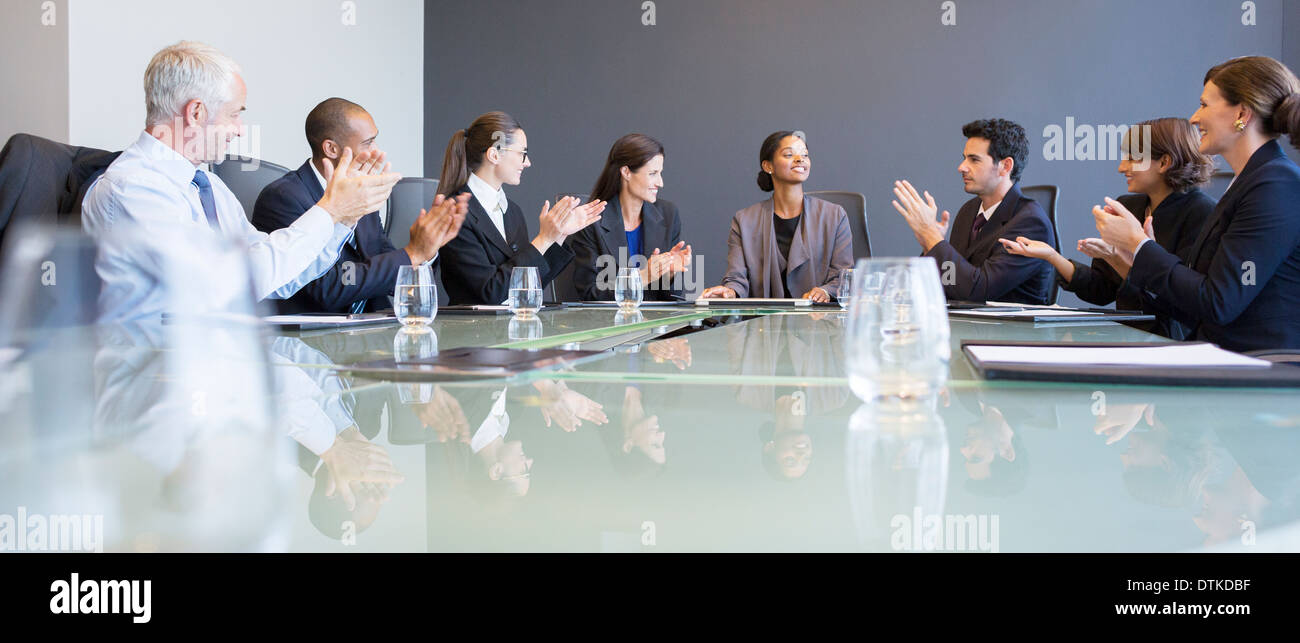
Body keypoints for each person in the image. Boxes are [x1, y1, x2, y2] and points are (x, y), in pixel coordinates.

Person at [81, 41, 400, 321]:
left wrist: (343, 218)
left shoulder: (209, 187)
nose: (240, 129)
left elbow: (278, 276)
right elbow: (225, 283)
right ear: (195, 113)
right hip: (155, 375)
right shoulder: (133, 189)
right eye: (234, 114)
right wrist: (329, 211)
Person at [1094, 56, 1300, 352]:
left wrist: (1141, 247)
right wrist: (1136, 259)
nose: (1194, 117)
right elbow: (1198, 309)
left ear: (1241, 113)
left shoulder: (1275, 185)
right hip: (1224, 362)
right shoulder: (1250, 183)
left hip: (1256, 373)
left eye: (1204, 105)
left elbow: (1218, 304)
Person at [1000, 118, 1215, 339]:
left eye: (1133, 159)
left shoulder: (1202, 214)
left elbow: (1181, 307)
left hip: (1171, 343)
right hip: (1127, 335)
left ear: (1164, 163)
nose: (1122, 167)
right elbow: (1101, 291)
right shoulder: (1129, 206)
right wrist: (1052, 256)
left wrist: (1128, 260)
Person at [252, 98, 468, 313]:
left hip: (374, 332)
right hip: (313, 339)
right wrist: (411, 254)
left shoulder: (359, 191)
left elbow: (383, 261)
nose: (376, 150)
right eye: (368, 143)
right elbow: (326, 288)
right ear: (331, 149)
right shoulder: (283, 197)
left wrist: (425, 252)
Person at [435, 111, 606, 305]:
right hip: (472, 332)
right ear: (494, 154)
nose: (527, 162)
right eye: (522, 153)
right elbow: (490, 293)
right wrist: (544, 239)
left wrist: (558, 236)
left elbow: (528, 286)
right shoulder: (456, 212)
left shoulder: (512, 211)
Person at [892, 118, 1056, 304]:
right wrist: (931, 246)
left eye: (974, 160)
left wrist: (933, 239)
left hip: (1012, 332)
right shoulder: (968, 212)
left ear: (1005, 166)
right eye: (964, 158)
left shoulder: (1031, 222)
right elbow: (951, 282)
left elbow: (980, 290)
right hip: (967, 329)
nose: (961, 167)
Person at [701, 130, 852, 301]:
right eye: (789, 154)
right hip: (762, 324)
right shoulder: (744, 221)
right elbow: (736, 278)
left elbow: (843, 276)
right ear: (768, 166)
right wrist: (729, 292)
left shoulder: (834, 215)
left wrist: (825, 291)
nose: (800, 159)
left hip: (818, 321)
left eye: (805, 154)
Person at [569, 134, 692, 301]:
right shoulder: (592, 220)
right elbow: (590, 295)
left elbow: (673, 299)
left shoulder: (668, 214)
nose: (660, 182)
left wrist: (669, 273)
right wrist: (643, 276)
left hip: (655, 325)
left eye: (660, 173)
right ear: (626, 172)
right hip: (611, 325)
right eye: (653, 173)